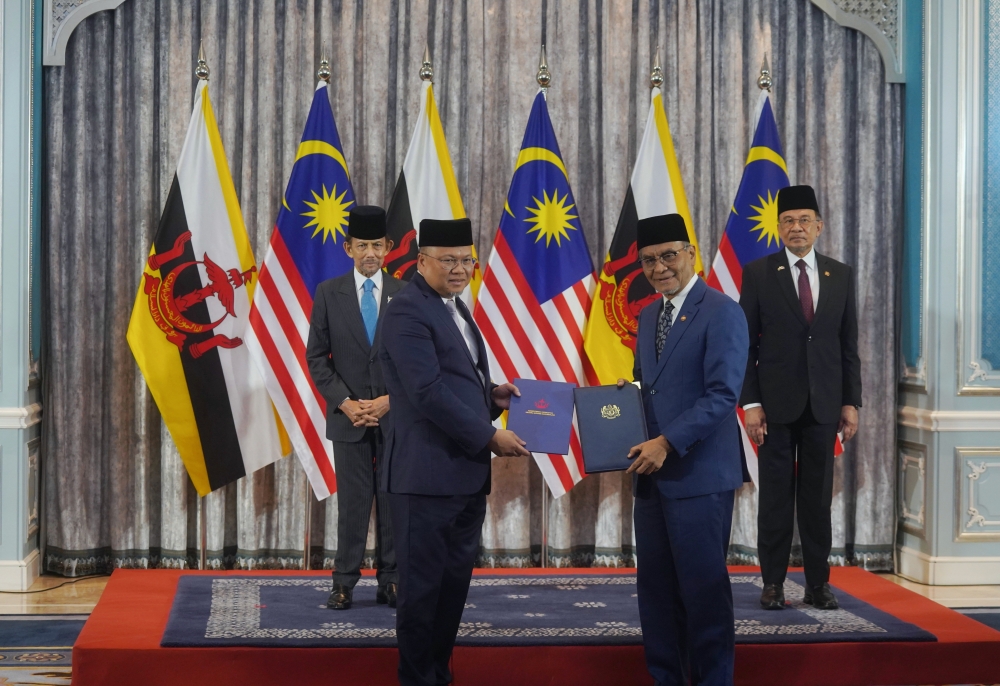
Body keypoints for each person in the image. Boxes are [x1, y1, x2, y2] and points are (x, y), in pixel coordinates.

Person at [378, 217, 529, 686]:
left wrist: (493, 397)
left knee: (451, 591)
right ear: (422, 261)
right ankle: (418, 678)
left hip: (463, 477)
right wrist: (488, 435)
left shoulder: (455, 307)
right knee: (422, 595)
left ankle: (436, 676)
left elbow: (457, 383)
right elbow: (426, 392)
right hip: (424, 479)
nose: (461, 268)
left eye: (467, 259)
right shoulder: (406, 310)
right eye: (449, 260)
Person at [620, 213, 749, 686]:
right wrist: (620, 402)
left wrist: (667, 442)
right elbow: (649, 388)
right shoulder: (649, 313)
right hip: (651, 477)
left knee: (703, 592)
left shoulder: (722, 311)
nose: (660, 268)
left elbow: (722, 395)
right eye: (649, 260)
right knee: (655, 591)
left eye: (669, 255)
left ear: (691, 253)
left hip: (699, 477)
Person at [739, 184, 861, 612]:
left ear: (819, 227)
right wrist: (750, 404)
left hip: (824, 405)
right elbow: (745, 347)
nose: (796, 228)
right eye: (788, 221)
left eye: (804, 220)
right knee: (774, 500)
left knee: (816, 501)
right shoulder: (757, 274)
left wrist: (851, 402)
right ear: (778, 228)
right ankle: (772, 584)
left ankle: (817, 584)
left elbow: (848, 345)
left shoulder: (840, 274)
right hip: (773, 409)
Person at [306, 205, 403, 611]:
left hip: (396, 418)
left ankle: (392, 580)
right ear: (348, 248)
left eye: (376, 246)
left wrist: (388, 401)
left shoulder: (405, 293)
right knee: (353, 503)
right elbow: (316, 358)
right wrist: (346, 402)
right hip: (349, 419)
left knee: (394, 499)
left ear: (388, 248)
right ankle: (343, 582)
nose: (369, 253)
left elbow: (415, 361)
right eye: (362, 245)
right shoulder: (329, 293)